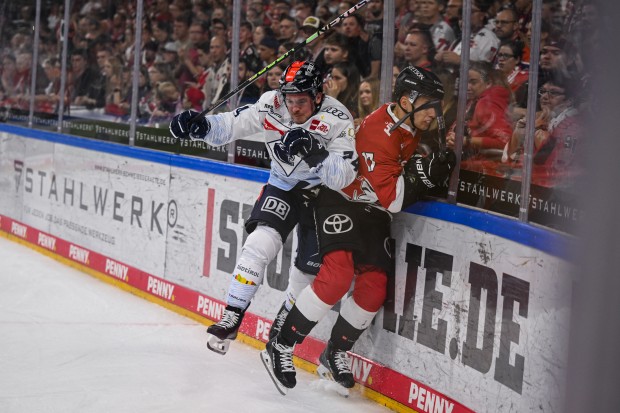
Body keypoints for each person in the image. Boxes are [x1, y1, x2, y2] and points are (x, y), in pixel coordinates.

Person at [262, 66, 456, 394]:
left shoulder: (408, 124)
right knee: (336, 276)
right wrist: (426, 176)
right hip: (340, 201)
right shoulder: (383, 132)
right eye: (431, 103)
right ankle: (281, 345)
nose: (436, 112)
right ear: (409, 101)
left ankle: (335, 352)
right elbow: (395, 200)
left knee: (374, 288)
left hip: (371, 209)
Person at [169, 60, 358, 355]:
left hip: (322, 196)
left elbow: (343, 176)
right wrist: (199, 126)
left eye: (301, 102)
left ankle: (282, 329)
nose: (293, 108)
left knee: (307, 271)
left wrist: (314, 150)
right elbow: (231, 124)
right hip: (282, 185)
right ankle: (233, 314)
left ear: (318, 96)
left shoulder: (338, 117)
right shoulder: (271, 103)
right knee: (257, 244)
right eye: (289, 100)